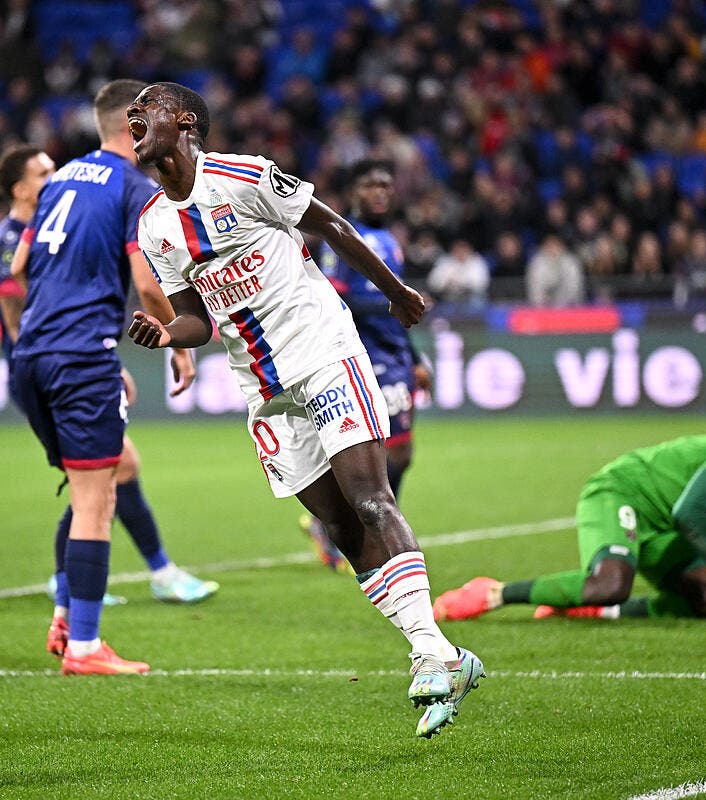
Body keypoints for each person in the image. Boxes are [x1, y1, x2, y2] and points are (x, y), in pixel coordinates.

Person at [125, 82, 483, 738]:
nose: (133, 118)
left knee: (372, 500)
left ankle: (431, 651)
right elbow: (197, 322)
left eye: (145, 108)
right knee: (343, 531)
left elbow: (331, 226)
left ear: (184, 120)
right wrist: (163, 332)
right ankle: (448, 655)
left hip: (322, 349)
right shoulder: (153, 226)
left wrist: (396, 293)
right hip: (264, 390)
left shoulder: (243, 175)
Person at [4, 80, 212, 677]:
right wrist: (178, 340)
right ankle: (87, 647)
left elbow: (19, 269)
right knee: (99, 498)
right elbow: (147, 284)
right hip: (78, 357)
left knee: (103, 472)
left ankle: (68, 614)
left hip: (34, 357)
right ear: (134, 121)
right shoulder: (132, 186)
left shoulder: (59, 178)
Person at [433, 406, 706, 624]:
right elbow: (689, 512)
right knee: (612, 582)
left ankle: (593, 608)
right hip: (625, 493)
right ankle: (494, 593)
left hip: (668, 531)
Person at [300, 160, 433, 573]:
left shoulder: (390, 239)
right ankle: (342, 527)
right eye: (370, 184)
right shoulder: (341, 238)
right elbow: (338, 299)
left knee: (403, 453)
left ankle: (376, 521)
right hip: (363, 354)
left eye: (386, 184)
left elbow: (399, 307)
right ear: (354, 192)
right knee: (376, 450)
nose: (380, 191)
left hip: (395, 356)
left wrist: (414, 358)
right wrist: (391, 299)